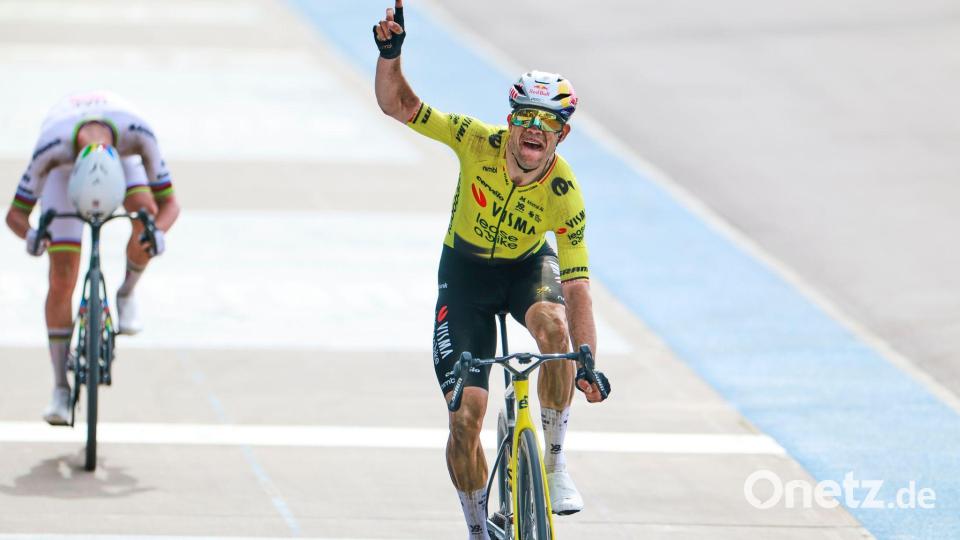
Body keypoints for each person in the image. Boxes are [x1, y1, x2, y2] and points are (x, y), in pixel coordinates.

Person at [373, 2, 611, 537]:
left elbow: (578, 288)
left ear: (561, 136)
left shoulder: (564, 192)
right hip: (467, 278)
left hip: (527, 271)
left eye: (547, 122)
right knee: (466, 418)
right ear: (510, 122)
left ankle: (552, 462)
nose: (534, 129)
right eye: (525, 117)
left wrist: (588, 359)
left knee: (556, 331)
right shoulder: (476, 141)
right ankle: (479, 530)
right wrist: (392, 55)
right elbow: (399, 105)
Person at [5, 91, 180, 425]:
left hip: (122, 162)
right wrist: (31, 235)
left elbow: (171, 205)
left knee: (145, 215)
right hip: (64, 173)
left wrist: (156, 232)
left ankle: (126, 292)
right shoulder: (52, 147)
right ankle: (59, 386)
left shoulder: (138, 135)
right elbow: (15, 213)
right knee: (61, 278)